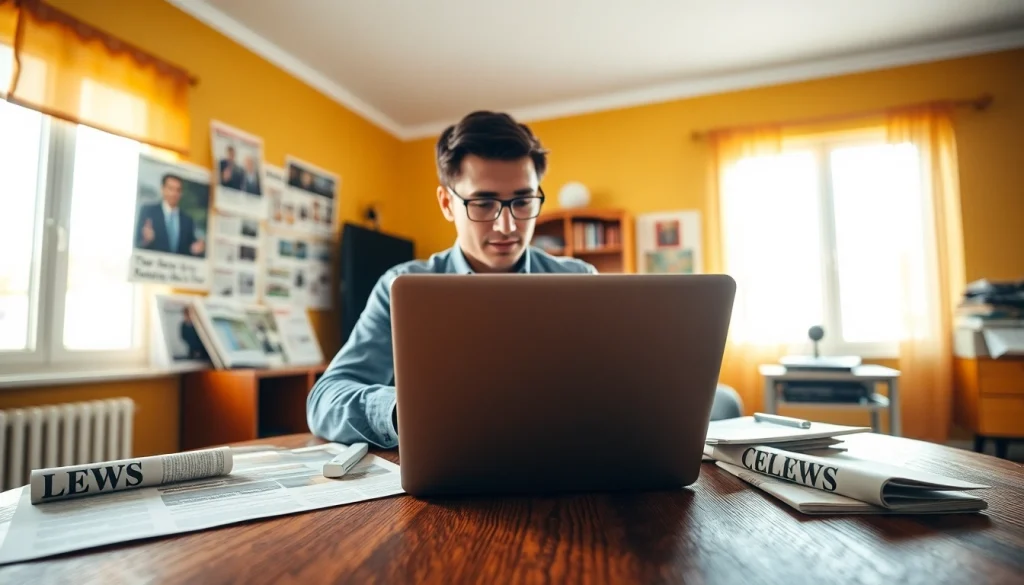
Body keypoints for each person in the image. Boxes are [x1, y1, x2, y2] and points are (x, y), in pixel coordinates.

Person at [306, 110, 742, 449]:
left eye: (522, 202)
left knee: (722, 402)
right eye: (483, 203)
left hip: (568, 461)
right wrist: (405, 412)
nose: (506, 226)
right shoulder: (402, 286)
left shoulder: (577, 278)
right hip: (450, 475)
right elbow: (325, 398)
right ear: (446, 202)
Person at [135, 174, 206, 257]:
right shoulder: (148, 211)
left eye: (178, 190)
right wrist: (146, 241)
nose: (174, 193)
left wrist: (198, 249)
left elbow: (189, 249)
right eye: (170, 189)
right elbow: (137, 243)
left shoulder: (187, 220)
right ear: (162, 189)